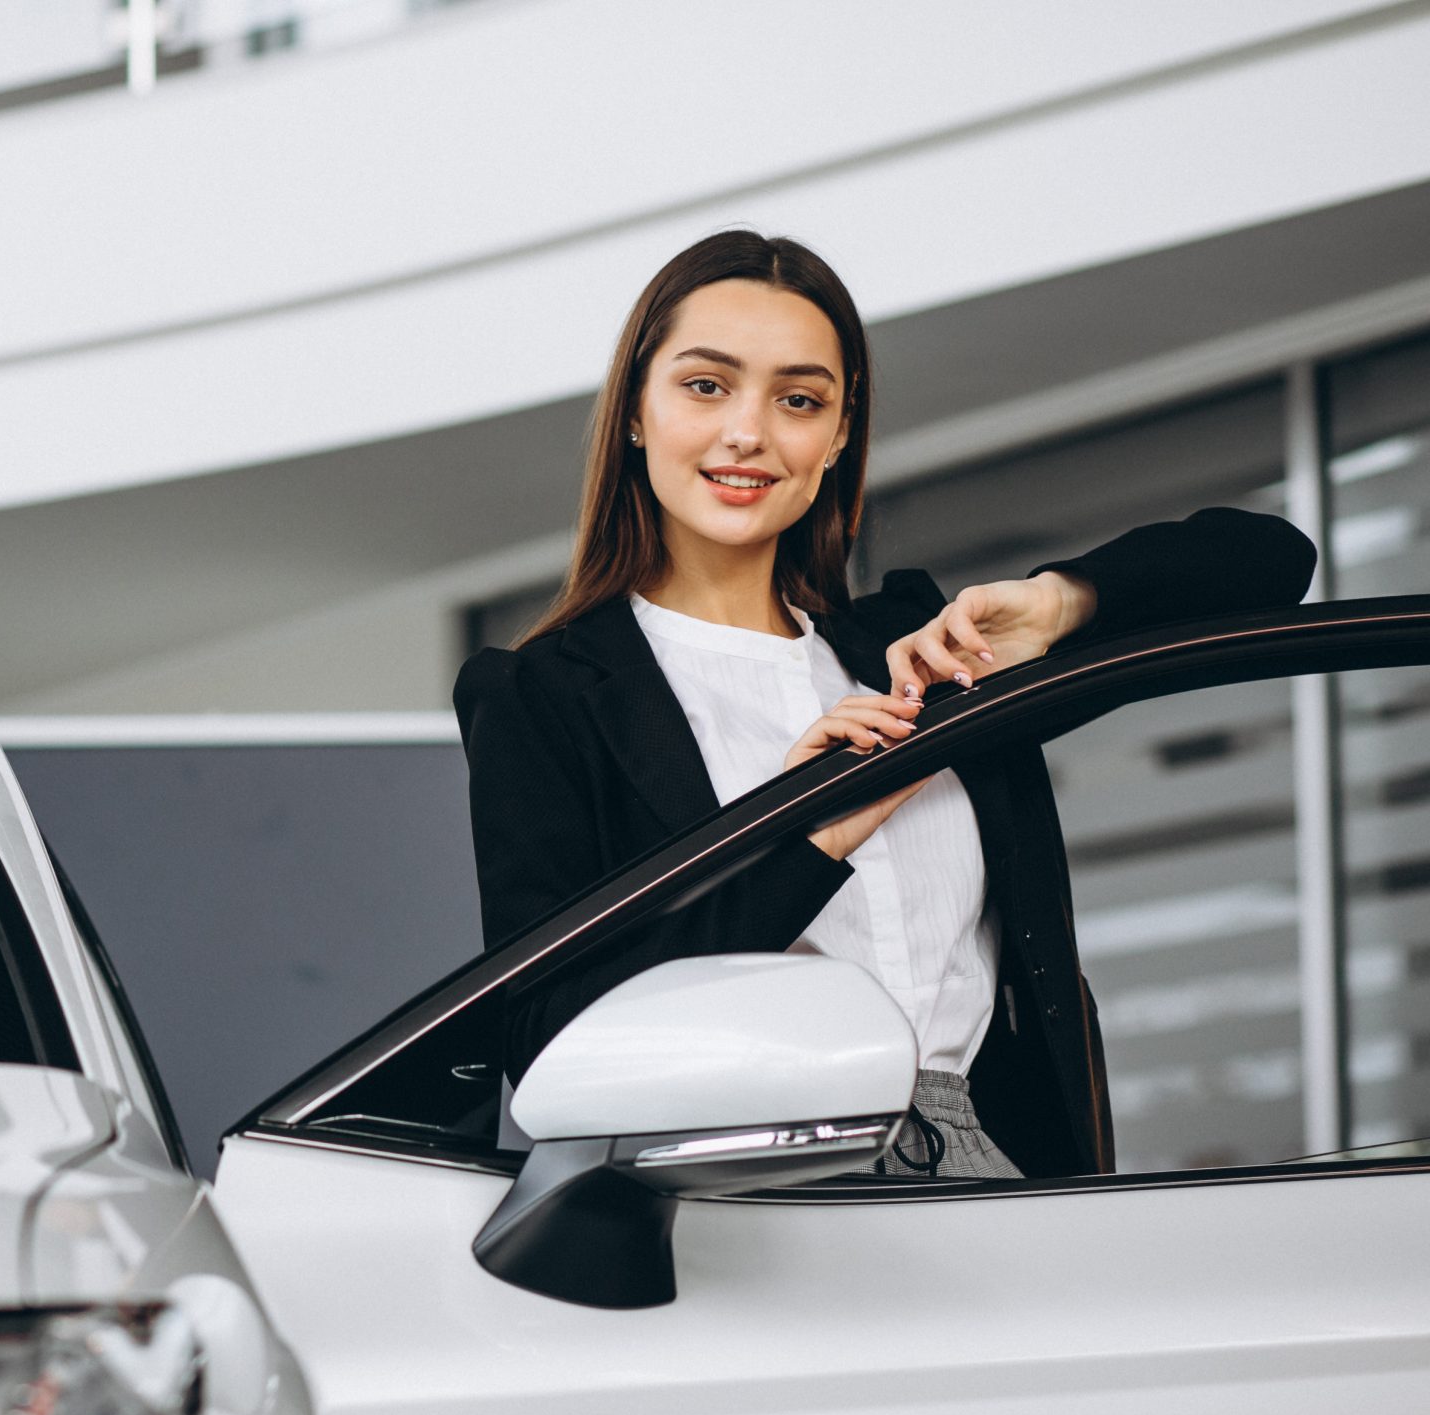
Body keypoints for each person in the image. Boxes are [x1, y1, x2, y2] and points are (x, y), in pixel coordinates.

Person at [456, 230, 1315, 1179]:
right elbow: (549, 1043)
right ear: (635, 410)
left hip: (988, 1172)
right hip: (740, 1186)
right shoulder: (543, 694)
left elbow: (1270, 561)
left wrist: (1057, 604)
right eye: (706, 385)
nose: (748, 432)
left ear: (838, 434)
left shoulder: (912, 652)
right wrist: (805, 835)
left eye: (798, 399)